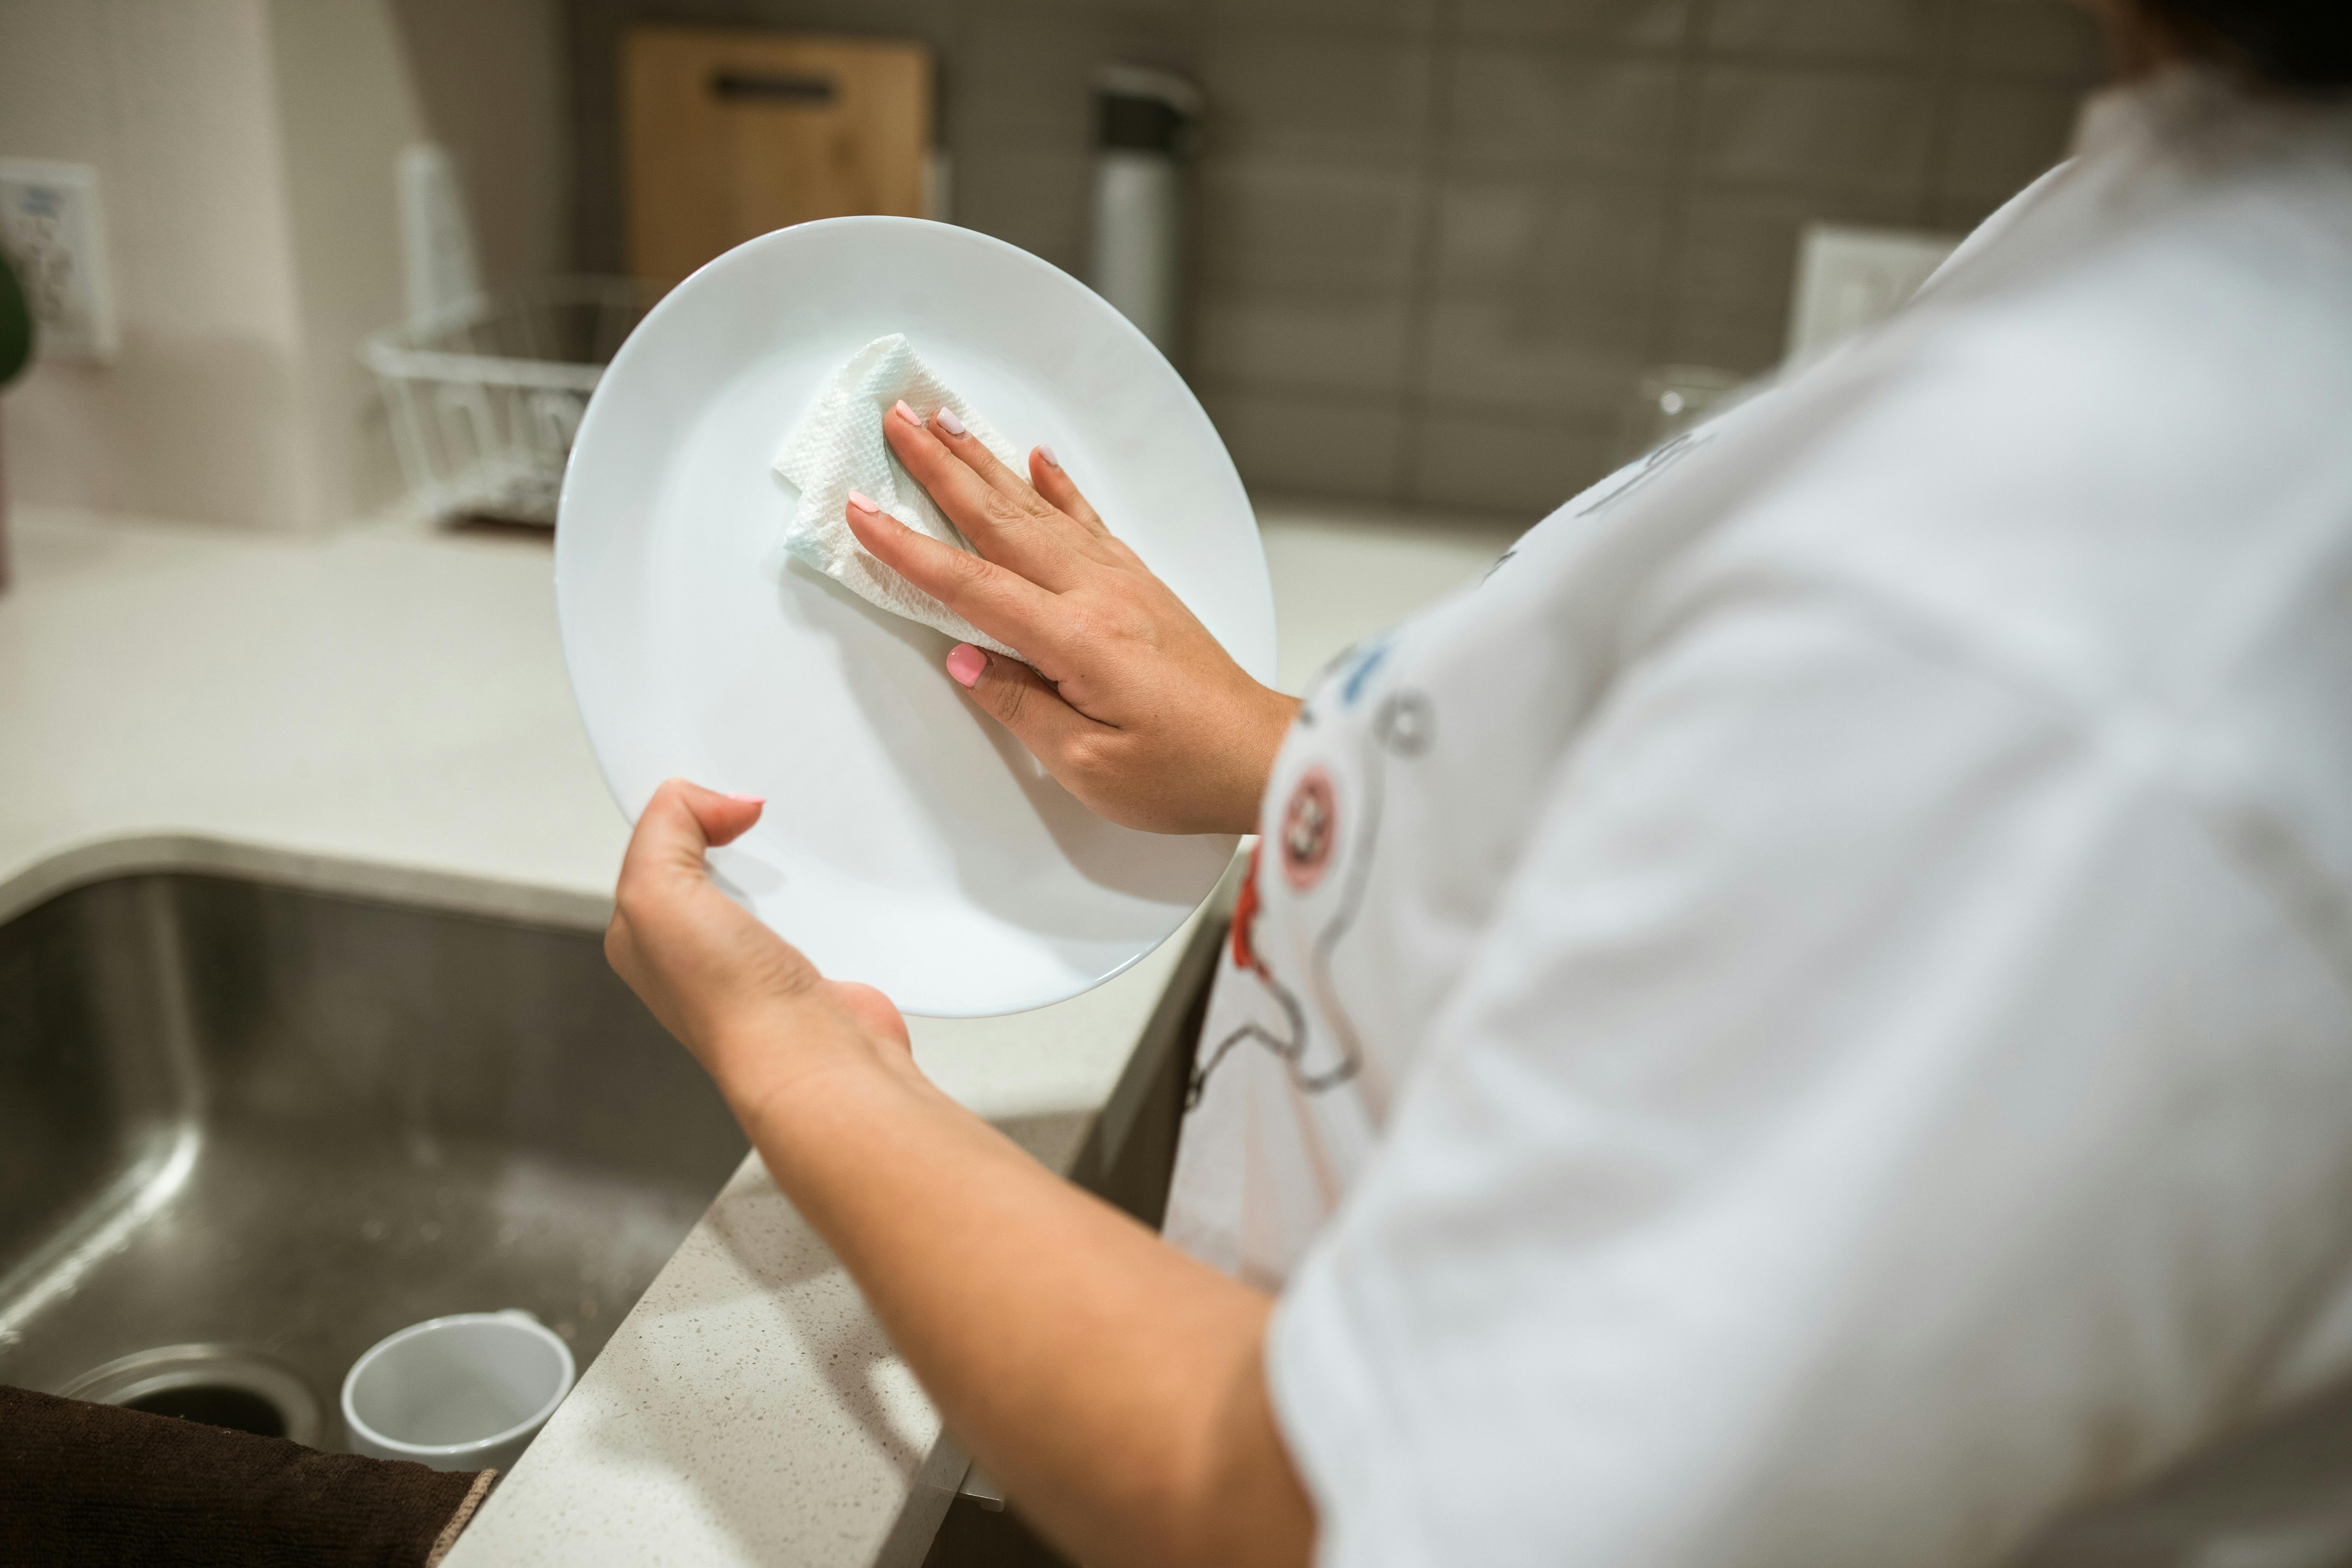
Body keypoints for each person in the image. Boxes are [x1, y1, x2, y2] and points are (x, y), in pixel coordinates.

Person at [601, 3, 2352, 1563]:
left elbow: (1315, 1499)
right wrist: (1289, 752)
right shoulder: (2190, 228)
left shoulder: (2091, 613)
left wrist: (806, 1057)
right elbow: (1773, 877)